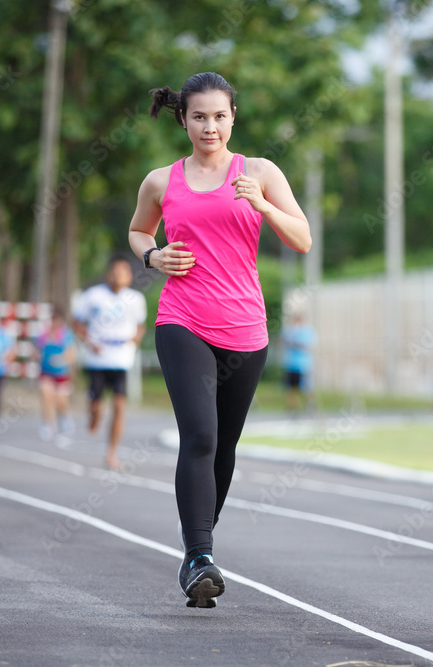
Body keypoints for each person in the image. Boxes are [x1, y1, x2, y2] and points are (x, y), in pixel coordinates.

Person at [130, 72, 311, 608]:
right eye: (199, 116)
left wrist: (264, 205)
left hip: (245, 330)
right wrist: (153, 256)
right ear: (183, 119)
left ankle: (197, 538)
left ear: (233, 118)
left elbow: (302, 239)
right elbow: (139, 230)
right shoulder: (160, 181)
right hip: (182, 320)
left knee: (223, 447)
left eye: (219, 116)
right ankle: (199, 557)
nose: (210, 126)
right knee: (201, 436)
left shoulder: (260, 172)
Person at [72, 256, 146, 471]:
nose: (118, 276)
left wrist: (136, 338)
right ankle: (93, 416)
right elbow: (77, 322)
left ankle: (112, 453)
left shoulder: (136, 299)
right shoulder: (93, 295)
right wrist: (89, 342)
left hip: (122, 360)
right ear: (108, 274)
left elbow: (141, 325)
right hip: (98, 359)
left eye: (123, 272)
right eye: (114, 272)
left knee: (119, 406)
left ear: (129, 276)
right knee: (97, 406)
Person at [34, 305, 78, 442]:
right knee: (46, 394)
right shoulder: (43, 334)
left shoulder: (66, 334)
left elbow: (72, 354)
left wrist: (62, 360)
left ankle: (65, 417)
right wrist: (38, 357)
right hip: (46, 372)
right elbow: (35, 351)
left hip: (61, 373)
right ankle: (48, 424)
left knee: (60, 400)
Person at [280, 311, 316, 414]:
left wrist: (295, 343)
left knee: (306, 387)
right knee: (291, 388)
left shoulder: (308, 332)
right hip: (291, 364)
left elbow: (308, 346)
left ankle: (310, 405)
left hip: (303, 365)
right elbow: (282, 342)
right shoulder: (289, 330)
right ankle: (292, 408)